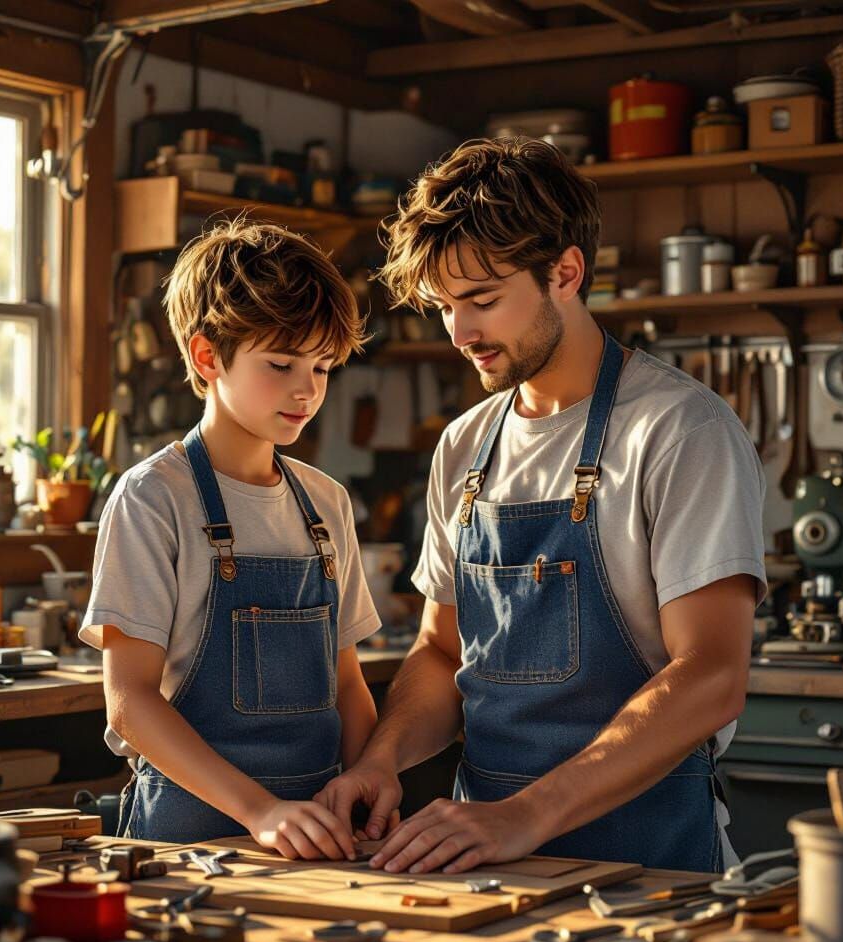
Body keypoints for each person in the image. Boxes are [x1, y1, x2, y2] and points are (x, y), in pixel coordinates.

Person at [315, 138, 766, 874]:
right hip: (484, 858)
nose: (460, 333)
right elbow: (440, 652)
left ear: (565, 273)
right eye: (445, 307)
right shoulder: (465, 446)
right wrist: (382, 758)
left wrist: (527, 815)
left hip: (648, 863)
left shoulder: (680, 430)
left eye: (483, 300)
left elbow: (712, 674)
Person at [80, 219, 381, 858]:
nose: (307, 390)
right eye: (281, 364)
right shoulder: (153, 497)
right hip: (190, 842)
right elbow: (129, 702)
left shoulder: (326, 503)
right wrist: (260, 811)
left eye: (323, 367)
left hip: (320, 837)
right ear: (207, 357)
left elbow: (349, 686)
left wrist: (366, 787)